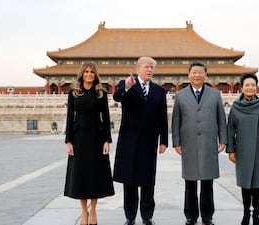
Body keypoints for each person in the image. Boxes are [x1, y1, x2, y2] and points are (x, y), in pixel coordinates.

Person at [113, 56, 168, 225]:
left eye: (152, 67)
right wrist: (127, 87)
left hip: (149, 141)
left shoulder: (159, 91)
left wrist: (164, 140)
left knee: (147, 180)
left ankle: (147, 215)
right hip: (129, 140)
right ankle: (130, 216)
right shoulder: (127, 84)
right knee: (129, 180)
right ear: (138, 69)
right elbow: (117, 96)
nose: (149, 70)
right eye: (146, 67)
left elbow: (162, 117)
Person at [171, 61, 227, 225]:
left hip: (209, 143)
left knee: (207, 182)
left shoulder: (215, 94)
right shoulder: (181, 95)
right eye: (194, 72)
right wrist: (176, 142)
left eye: (200, 72)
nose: (197, 75)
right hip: (188, 143)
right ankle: (191, 216)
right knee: (190, 182)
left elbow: (221, 118)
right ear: (189, 75)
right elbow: (176, 120)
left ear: (205, 75)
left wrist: (223, 139)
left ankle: (207, 216)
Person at [64, 62, 115, 225]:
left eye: (92, 72)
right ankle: (83, 212)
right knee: (81, 176)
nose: (89, 74)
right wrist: (68, 140)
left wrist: (107, 140)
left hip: (97, 138)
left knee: (95, 176)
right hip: (79, 139)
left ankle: (93, 210)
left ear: (95, 75)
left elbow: (106, 118)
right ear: (82, 74)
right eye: (86, 71)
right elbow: (70, 117)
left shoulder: (100, 93)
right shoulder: (74, 93)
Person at [226, 73, 259, 225]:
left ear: (256, 87)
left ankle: (256, 214)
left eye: (253, 85)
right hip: (242, 150)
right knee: (245, 183)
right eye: (247, 85)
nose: (250, 88)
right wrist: (231, 150)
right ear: (241, 88)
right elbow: (230, 130)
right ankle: (246, 213)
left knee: (257, 184)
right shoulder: (236, 107)